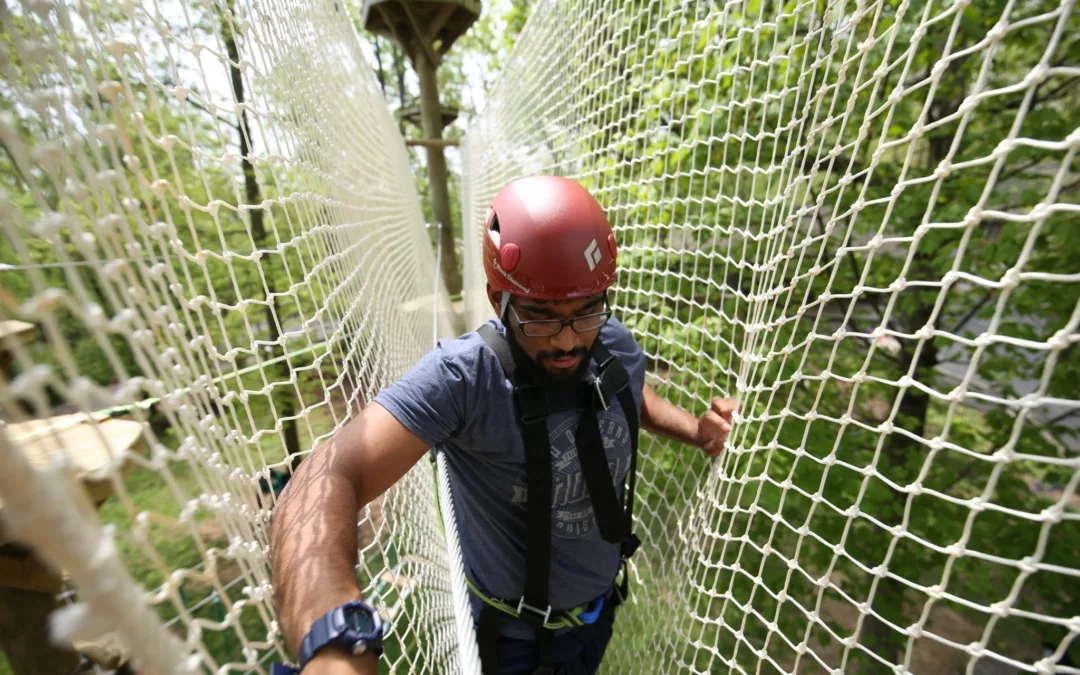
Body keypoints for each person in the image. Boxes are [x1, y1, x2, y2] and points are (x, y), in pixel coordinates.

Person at [270, 176, 736, 675]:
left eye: (585, 312)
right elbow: (326, 478)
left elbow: (630, 393)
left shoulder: (611, 340)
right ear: (498, 299)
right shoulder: (463, 379)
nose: (566, 342)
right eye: (540, 316)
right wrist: (335, 638)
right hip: (512, 642)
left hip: (598, 615)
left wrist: (695, 429)